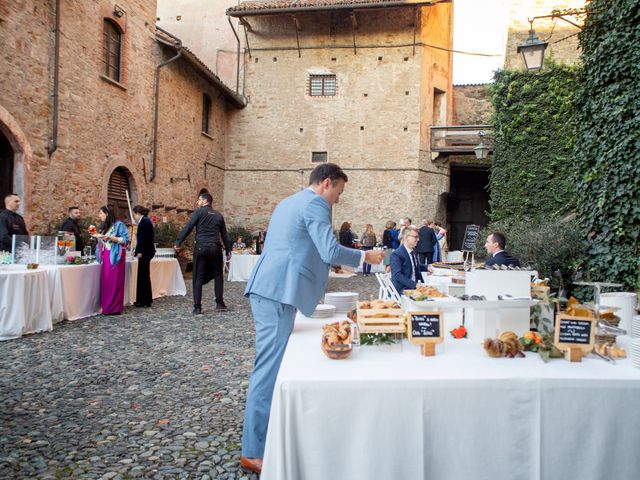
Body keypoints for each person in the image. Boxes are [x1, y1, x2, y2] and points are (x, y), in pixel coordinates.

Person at [239, 163, 385, 474]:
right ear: (327, 184)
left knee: (271, 367)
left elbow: (298, 246)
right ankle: (253, 450)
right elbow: (329, 250)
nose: (337, 200)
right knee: (267, 370)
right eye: (339, 193)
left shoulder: (291, 201)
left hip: (273, 289)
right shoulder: (316, 204)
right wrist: (365, 257)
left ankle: (267, 437)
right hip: (277, 292)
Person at [175, 192, 231, 314]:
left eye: (199, 200)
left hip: (201, 247)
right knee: (218, 276)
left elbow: (188, 227)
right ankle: (220, 303)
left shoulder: (198, 213)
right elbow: (224, 235)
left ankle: (197, 307)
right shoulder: (218, 215)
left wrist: (178, 242)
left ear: (205, 201)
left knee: (198, 277)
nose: (197, 202)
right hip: (216, 248)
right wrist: (228, 250)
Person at [93, 206, 129, 315]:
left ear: (107, 214)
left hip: (115, 257)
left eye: (101, 213)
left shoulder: (119, 225)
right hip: (106, 256)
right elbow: (104, 240)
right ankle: (106, 306)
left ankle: (114, 308)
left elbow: (125, 240)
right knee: (106, 281)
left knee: (114, 282)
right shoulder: (106, 227)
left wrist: (113, 238)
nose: (99, 216)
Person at [390, 226, 429, 294]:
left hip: (414, 288)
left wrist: (427, 267)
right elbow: (397, 275)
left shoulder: (413, 251)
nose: (418, 239)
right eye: (415, 237)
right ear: (407, 238)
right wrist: (415, 285)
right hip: (403, 290)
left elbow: (414, 266)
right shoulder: (397, 254)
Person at [132, 205, 155, 308]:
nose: (134, 217)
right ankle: (146, 300)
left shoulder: (143, 222)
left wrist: (139, 251)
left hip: (145, 252)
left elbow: (142, 239)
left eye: (134, 215)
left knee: (143, 276)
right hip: (148, 251)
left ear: (137, 213)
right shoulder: (147, 220)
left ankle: (142, 300)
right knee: (144, 275)